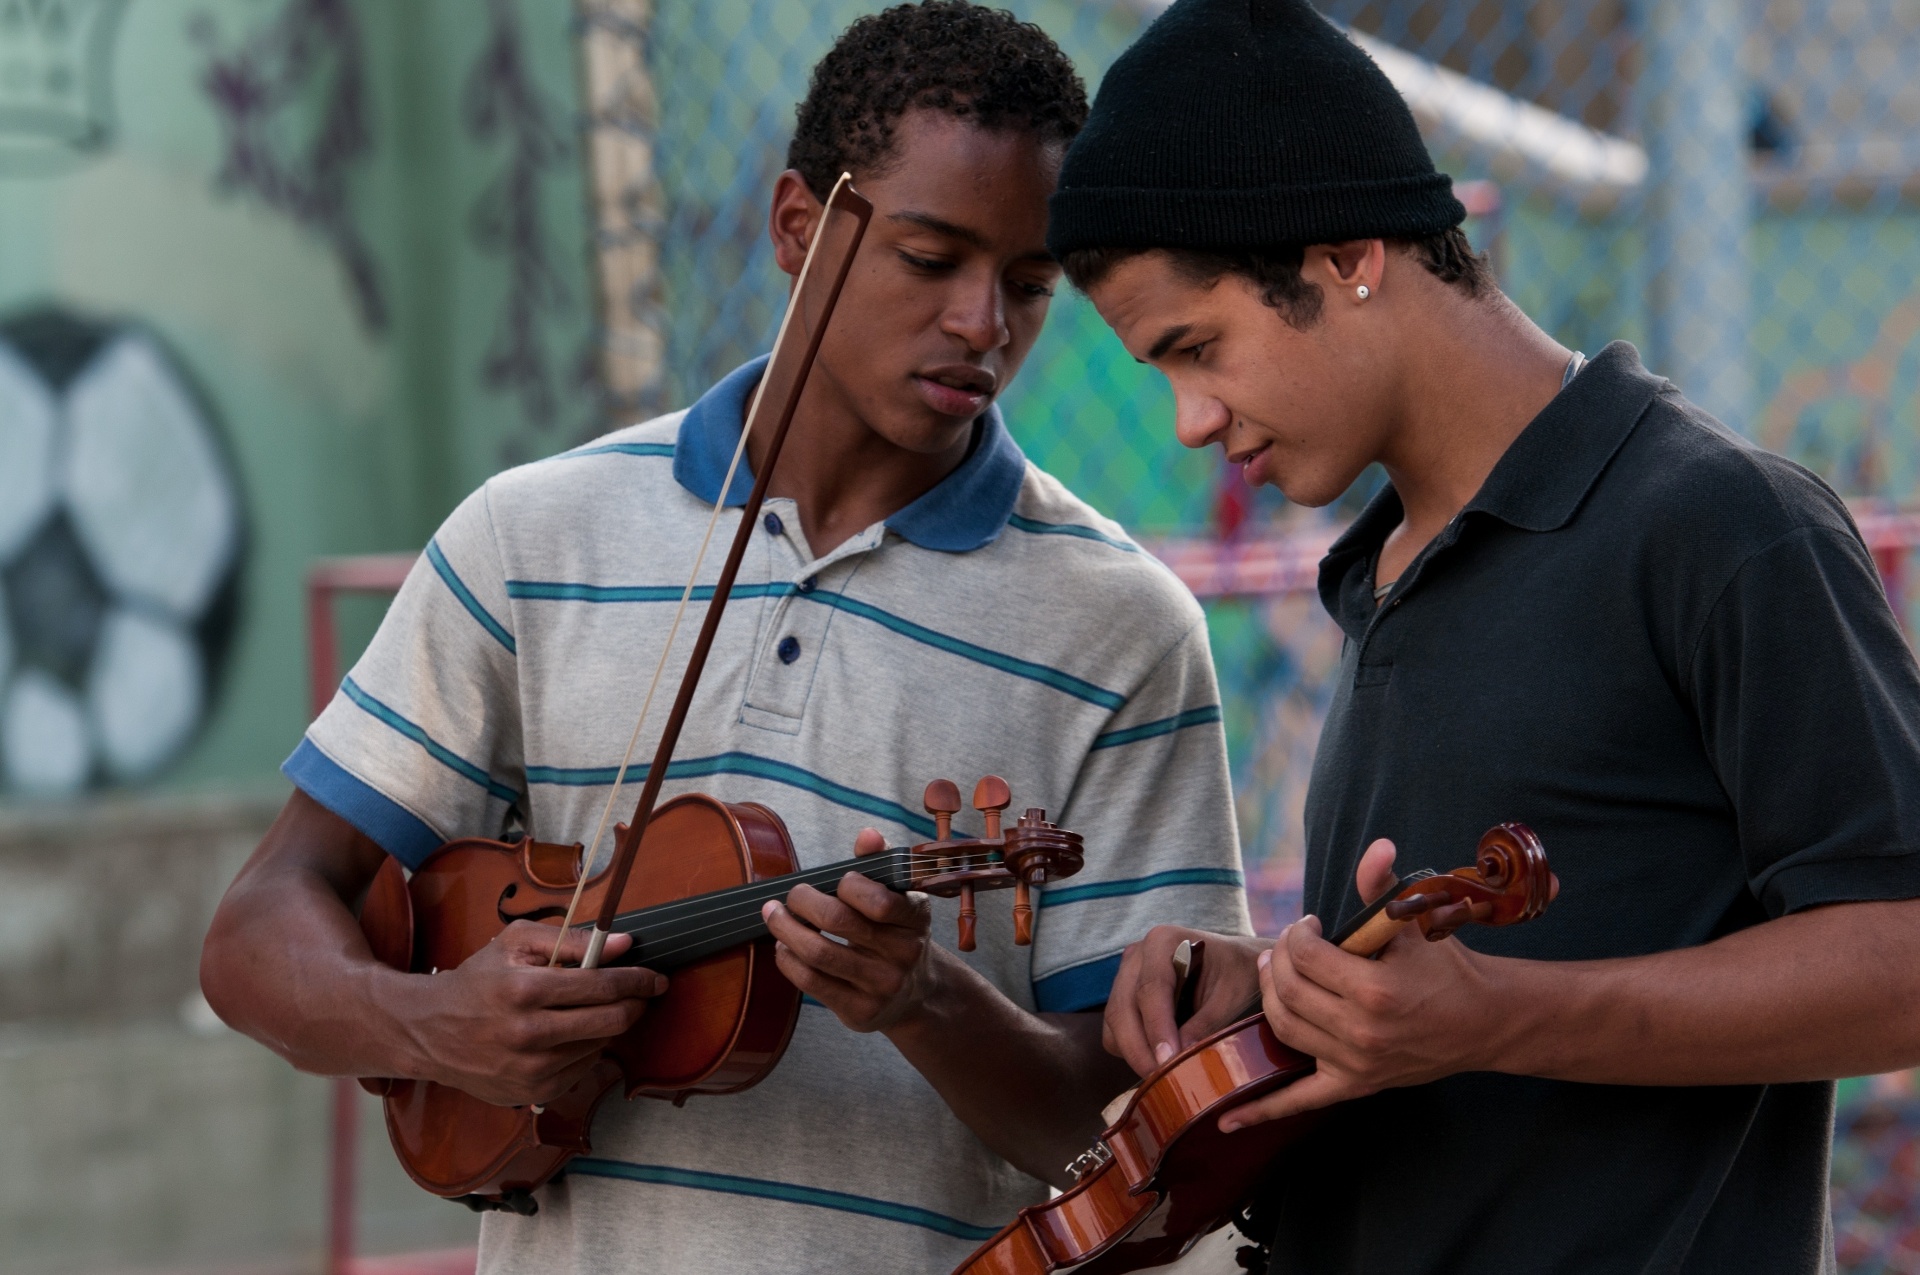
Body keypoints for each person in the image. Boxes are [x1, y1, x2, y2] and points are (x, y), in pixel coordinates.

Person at [198, 5, 1248, 1274]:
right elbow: (258, 930)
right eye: (930, 257)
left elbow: (1120, 1131)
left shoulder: (1123, 631)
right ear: (800, 226)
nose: (984, 325)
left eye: (1029, 285)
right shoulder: (537, 537)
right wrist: (434, 1025)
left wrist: (926, 1003)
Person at [1057, 0, 1920, 1271]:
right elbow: (1464, 992)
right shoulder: (1381, 567)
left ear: (1349, 252)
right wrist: (1284, 994)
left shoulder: (1722, 526)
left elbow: (1900, 954)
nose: (1189, 419)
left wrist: (1495, 1019)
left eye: (1199, 347)